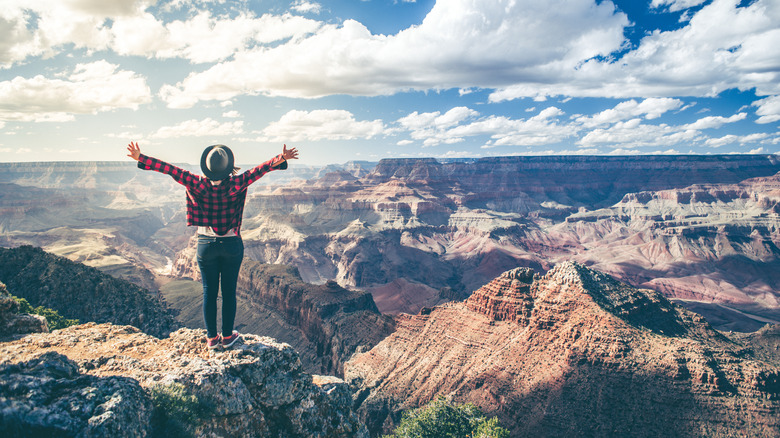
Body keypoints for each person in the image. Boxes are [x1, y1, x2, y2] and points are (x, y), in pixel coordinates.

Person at [126, 141, 299, 350]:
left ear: (206, 167)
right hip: (231, 245)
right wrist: (280, 159)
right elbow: (259, 170)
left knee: (209, 291)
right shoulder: (237, 183)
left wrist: (141, 158)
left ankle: (211, 338)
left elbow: (169, 169)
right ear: (228, 166)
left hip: (205, 244)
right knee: (228, 292)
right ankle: (227, 337)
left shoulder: (195, 182)